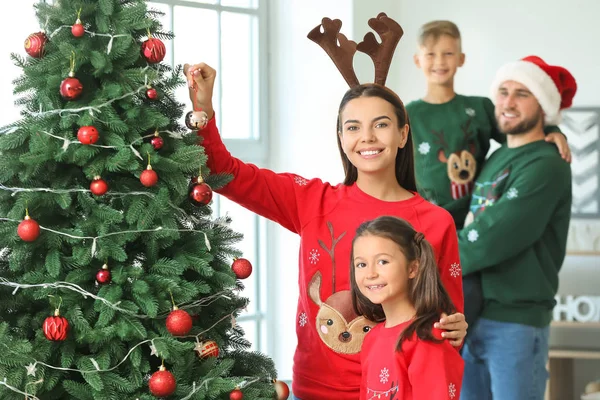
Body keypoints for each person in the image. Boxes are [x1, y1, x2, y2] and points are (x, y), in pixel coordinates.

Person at [184, 14, 467, 398]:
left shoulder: (435, 222)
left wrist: (456, 328)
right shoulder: (310, 199)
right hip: (315, 389)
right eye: (353, 127)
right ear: (340, 136)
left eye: (381, 125)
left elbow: (448, 325)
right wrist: (204, 112)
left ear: (402, 134)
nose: (366, 137)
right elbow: (224, 172)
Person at [407, 20, 571, 327]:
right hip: (427, 225)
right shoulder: (409, 114)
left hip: (468, 223)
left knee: (462, 307)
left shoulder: (480, 109)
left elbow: (519, 132)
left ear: (461, 59)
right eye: (431, 55)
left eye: (447, 53)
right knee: (424, 307)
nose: (439, 62)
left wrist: (553, 130)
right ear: (418, 60)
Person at [458, 55, 576, 400]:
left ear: (544, 106)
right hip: (471, 313)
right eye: (503, 91)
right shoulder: (496, 156)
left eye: (522, 93)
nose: (508, 102)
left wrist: (428, 262)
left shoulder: (546, 165)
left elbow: (493, 237)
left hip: (515, 322)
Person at [351, 216, 464, 400]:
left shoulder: (428, 338)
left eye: (383, 262)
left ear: (413, 268)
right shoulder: (371, 339)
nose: (370, 273)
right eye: (361, 264)